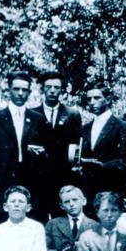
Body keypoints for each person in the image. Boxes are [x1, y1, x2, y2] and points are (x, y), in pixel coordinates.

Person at [0, 71, 49, 221]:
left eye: (25, 90)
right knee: (5, 232)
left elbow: (47, 155)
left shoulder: (38, 119)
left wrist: (40, 154)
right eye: (16, 89)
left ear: (29, 92)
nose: (20, 93)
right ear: (9, 90)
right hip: (2, 187)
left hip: (31, 187)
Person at [36, 71, 83, 217]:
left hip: (63, 178)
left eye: (56, 87)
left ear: (62, 90)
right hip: (38, 178)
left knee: (62, 220)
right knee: (38, 219)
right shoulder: (32, 114)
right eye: (48, 86)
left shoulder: (72, 115)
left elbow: (76, 146)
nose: (52, 90)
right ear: (42, 89)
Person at [75, 84, 126, 199]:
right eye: (89, 99)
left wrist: (102, 166)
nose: (92, 102)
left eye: (96, 98)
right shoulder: (85, 128)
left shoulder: (122, 126)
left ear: (108, 99)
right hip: (87, 190)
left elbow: (125, 161)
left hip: (110, 188)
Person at [45, 185, 99, 251]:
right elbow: (45, 250)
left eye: (75, 200)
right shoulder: (52, 224)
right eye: (67, 201)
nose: (71, 204)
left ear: (84, 201)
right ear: (62, 206)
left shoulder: (95, 226)